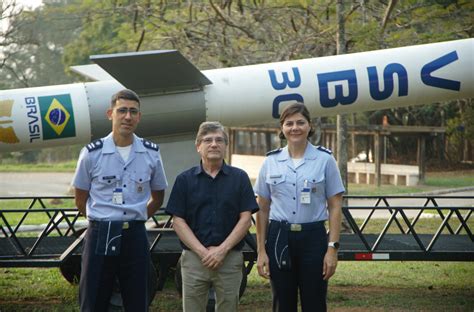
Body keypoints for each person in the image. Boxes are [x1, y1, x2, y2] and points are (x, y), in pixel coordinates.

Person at [73, 89, 168, 311]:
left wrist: (139, 217)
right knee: (93, 298)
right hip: (101, 233)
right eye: (122, 110)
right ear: (110, 113)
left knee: (137, 299)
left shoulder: (151, 153)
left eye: (133, 112)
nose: (128, 116)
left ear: (139, 117)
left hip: (134, 235)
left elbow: (157, 196)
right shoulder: (91, 153)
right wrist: (102, 219)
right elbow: (80, 199)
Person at [254, 102, 345, 312]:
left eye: (300, 123)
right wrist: (261, 251)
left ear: (309, 126)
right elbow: (262, 208)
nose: (295, 127)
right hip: (279, 237)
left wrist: (332, 249)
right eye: (289, 123)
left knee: (314, 301)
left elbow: (335, 206)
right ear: (282, 128)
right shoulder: (271, 162)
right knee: (282, 303)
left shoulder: (325, 159)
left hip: (313, 238)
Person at [165, 121, 259, 312]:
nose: (214, 144)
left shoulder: (240, 178)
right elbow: (178, 221)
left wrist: (221, 250)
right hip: (193, 260)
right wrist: (203, 252)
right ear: (198, 146)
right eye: (207, 140)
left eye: (219, 140)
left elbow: (246, 219)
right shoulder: (184, 180)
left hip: (229, 259)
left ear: (226, 145)